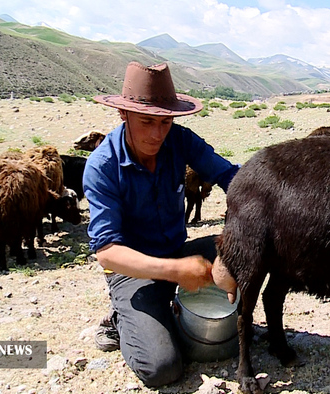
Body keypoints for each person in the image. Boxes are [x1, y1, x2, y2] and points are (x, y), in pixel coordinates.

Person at [82, 61, 240, 387]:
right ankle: (122, 319)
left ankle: (190, 313)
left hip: (177, 252)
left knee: (247, 246)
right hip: (132, 272)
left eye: (165, 122)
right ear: (123, 115)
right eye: (146, 122)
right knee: (163, 368)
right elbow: (108, 254)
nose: (157, 134)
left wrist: (240, 222)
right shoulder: (103, 166)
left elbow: (231, 177)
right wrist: (174, 272)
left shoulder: (179, 141)